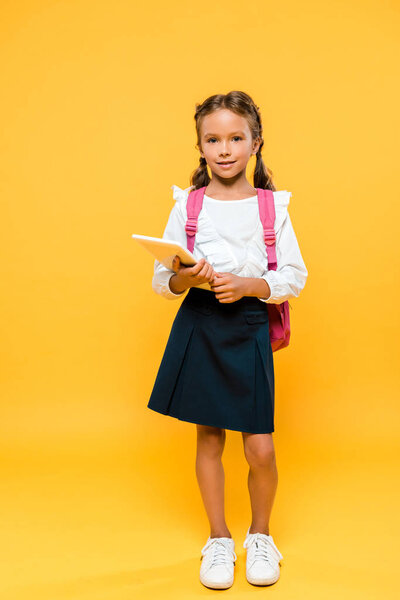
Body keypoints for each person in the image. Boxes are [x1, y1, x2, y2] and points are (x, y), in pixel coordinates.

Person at [147, 91, 308, 590]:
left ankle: (260, 534)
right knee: (209, 438)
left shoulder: (271, 208)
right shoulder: (188, 205)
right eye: (212, 139)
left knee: (260, 448)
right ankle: (218, 539)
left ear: (255, 142)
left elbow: (295, 277)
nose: (224, 149)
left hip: (247, 328)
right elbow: (162, 279)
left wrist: (251, 286)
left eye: (235, 138)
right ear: (200, 147)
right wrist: (185, 277)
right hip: (200, 325)